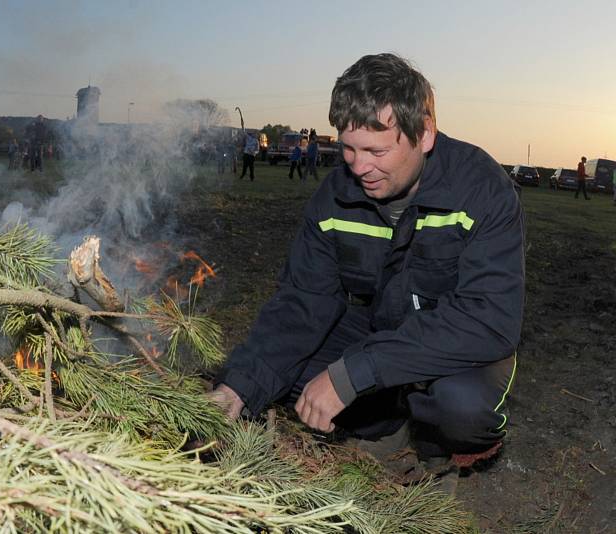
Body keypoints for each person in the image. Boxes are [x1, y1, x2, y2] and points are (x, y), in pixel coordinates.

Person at [209, 53, 524, 482]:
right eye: (348, 149)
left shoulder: (482, 189)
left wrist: (354, 373)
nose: (358, 167)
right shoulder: (335, 196)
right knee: (286, 372)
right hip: (380, 327)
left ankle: (437, 452)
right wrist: (239, 388)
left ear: (424, 134)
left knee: (463, 407)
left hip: (459, 338)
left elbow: (489, 321)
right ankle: (383, 425)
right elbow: (303, 300)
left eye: (376, 150)